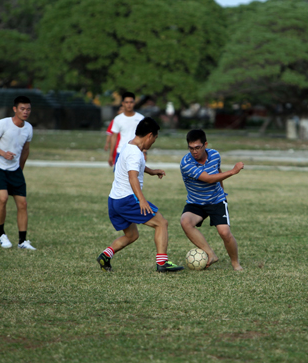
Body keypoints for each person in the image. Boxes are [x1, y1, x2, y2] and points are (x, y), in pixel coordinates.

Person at [97, 117, 184, 273]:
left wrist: (151, 171)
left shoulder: (128, 145)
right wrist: (142, 201)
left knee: (131, 235)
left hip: (114, 200)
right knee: (161, 223)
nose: (153, 143)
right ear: (149, 135)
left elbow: (132, 166)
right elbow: (132, 177)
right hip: (128, 199)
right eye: (155, 139)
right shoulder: (135, 154)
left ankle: (105, 255)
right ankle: (162, 263)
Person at [180, 129, 244, 271]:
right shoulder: (186, 163)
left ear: (205, 144)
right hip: (196, 202)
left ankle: (235, 263)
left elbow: (217, 171)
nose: (194, 151)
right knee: (185, 221)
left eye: (197, 147)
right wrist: (233, 171)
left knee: (224, 233)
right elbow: (208, 179)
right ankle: (210, 253)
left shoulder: (214, 154)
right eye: (191, 148)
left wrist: (222, 193)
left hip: (216, 200)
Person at [0, 96, 35, 250]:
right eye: (22, 108)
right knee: (3, 198)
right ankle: (1, 234)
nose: (25, 112)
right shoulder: (3, 124)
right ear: (15, 109)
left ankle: (22, 241)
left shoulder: (28, 128)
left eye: (28, 109)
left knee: (23, 204)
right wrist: (3, 153)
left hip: (15, 170)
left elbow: (26, 150)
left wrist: (20, 168)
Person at [108, 92, 145, 167]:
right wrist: (111, 155)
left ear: (134, 103)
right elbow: (114, 137)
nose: (129, 104)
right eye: (126, 102)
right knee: (119, 177)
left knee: (135, 177)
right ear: (123, 103)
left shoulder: (140, 118)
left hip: (136, 152)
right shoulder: (118, 119)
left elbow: (144, 137)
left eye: (131, 102)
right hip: (121, 152)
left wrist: (144, 152)